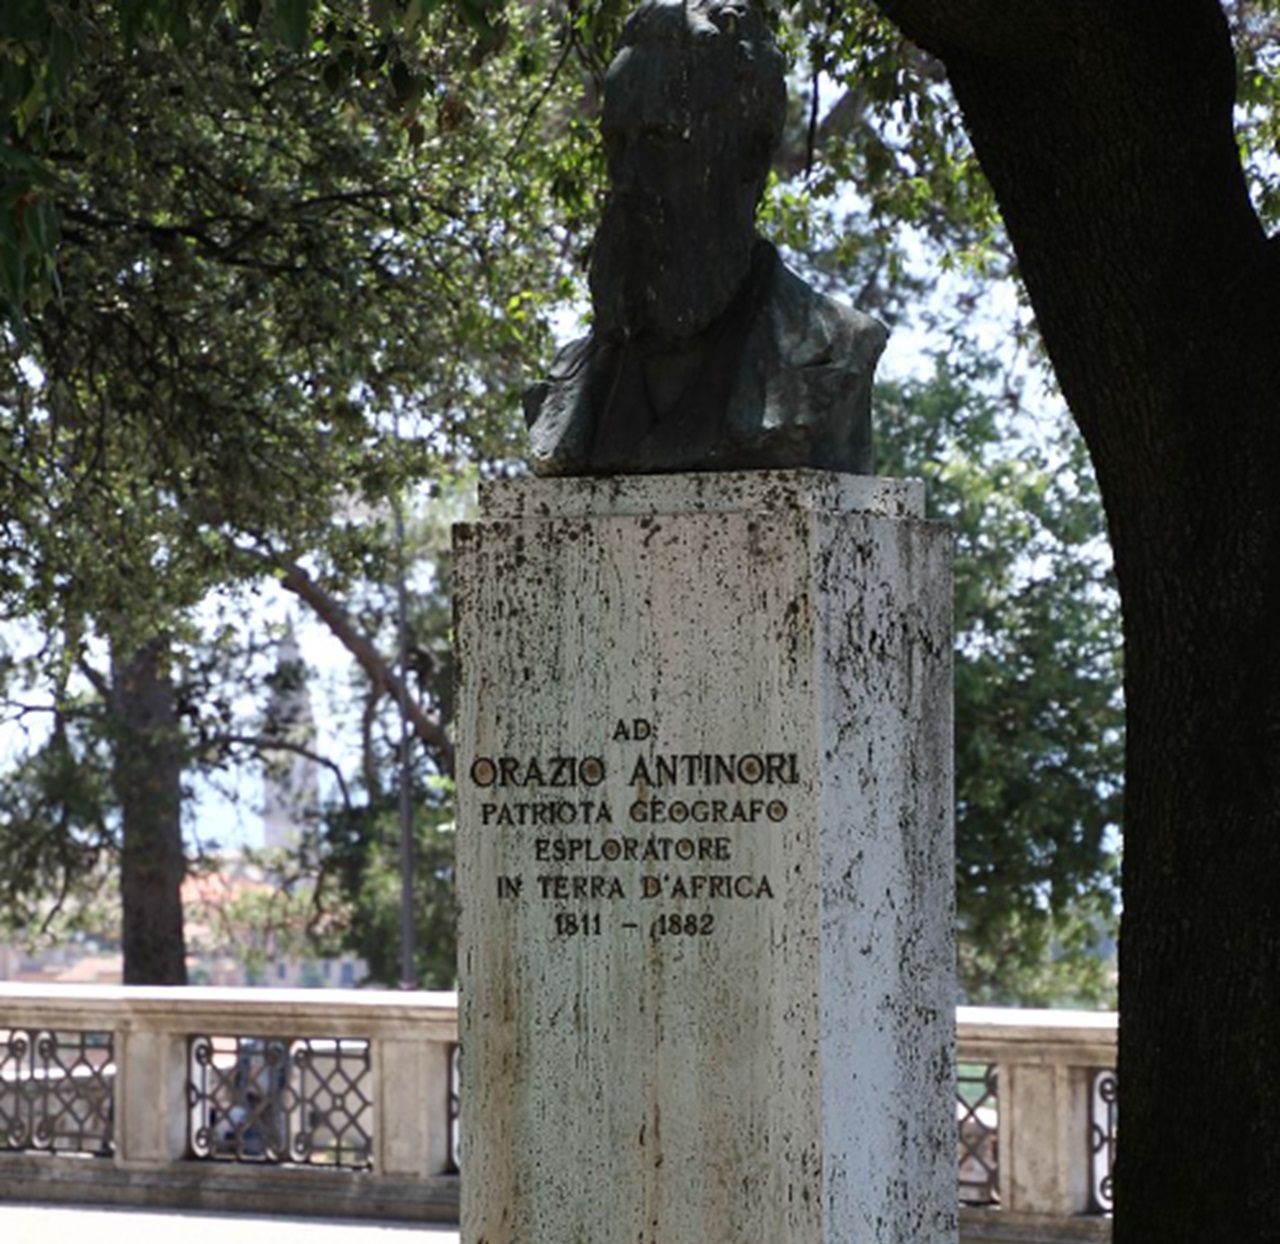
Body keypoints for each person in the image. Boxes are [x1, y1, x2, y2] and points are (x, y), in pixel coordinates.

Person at [525, 0, 887, 477]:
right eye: (618, 144)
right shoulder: (569, 386)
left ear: (751, 155)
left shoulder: (836, 352)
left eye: (660, 141)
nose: (630, 178)